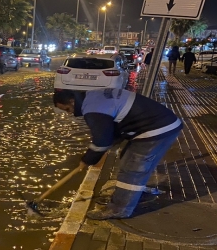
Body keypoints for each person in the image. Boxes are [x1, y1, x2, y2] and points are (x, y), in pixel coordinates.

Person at [53, 89, 183, 220]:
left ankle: (119, 209)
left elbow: (101, 142)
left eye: (68, 109)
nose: (70, 113)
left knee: (132, 169)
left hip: (156, 130)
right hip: (162, 124)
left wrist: (87, 160)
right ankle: (134, 193)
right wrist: (108, 144)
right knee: (128, 159)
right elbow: (111, 129)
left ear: (72, 101)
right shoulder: (92, 96)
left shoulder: (92, 109)